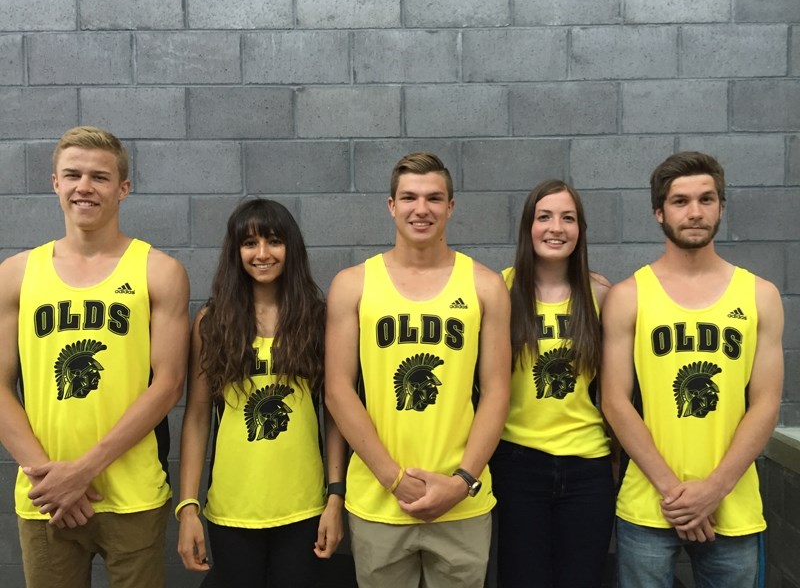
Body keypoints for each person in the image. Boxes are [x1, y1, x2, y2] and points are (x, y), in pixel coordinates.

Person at [0, 126, 190, 587]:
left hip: (131, 493)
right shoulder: (16, 274)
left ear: (123, 188)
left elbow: (167, 386)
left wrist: (83, 471)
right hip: (45, 495)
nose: (84, 186)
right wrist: (49, 477)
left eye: (100, 177)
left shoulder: (159, 271)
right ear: (55, 183)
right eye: (73, 175)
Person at [325, 152, 511, 587]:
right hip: (378, 498)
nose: (421, 208)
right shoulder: (353, 284)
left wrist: (462, 481)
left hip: (460, 499)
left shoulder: (485, 286)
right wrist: (393, 479)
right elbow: (337, 390)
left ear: (451, 206)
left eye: (433, 198)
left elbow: (498, 391)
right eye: (409, 197)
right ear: (391, 205)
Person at [601, 151, 784, 587]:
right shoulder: (629, 295)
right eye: (681, 201)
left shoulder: (760, 295)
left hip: (732, 505)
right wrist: (676, 494)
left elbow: (765, 404)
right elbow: (614, 401)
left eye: (706, 199)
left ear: (721, 206)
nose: (695, 212)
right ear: (659, 212)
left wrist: (713, 489)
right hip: (649, 504)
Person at [177, 198, 345, 586]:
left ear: (292, 249)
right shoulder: (212, 320)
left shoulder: (316, 318)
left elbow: (334, 413)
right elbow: (198, 416)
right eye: (250, 243)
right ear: (236, 252)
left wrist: (336, 496)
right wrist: (188, 507)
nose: (262, 253)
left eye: (274, 241)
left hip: (304, 509)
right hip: (233, 509)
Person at [490, 180, 614, 587]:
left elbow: (616, 392)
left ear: (580, 229)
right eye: (544, 216)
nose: (555, 227)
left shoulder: (601, 294)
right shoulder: (500, 289)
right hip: (517, 462)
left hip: (588, 466)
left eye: (568, 218)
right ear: (528, 226)